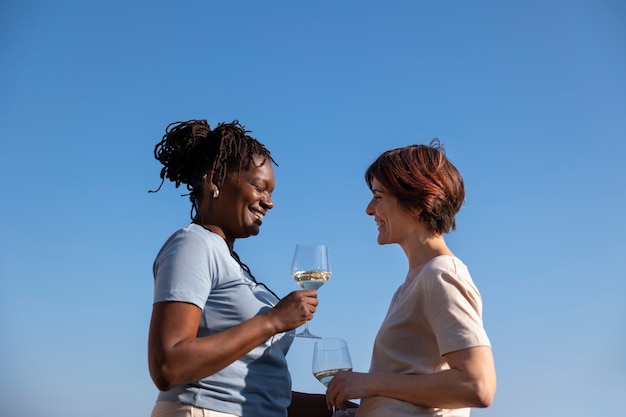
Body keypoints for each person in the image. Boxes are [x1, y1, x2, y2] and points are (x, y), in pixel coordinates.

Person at [147, 119, 331, 417]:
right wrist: (273, 321)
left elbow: (257, 391)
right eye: (259, 187)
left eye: (271, 192)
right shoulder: (193, 245)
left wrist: (335, 408)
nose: (269, 203)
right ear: (214, 180)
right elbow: (168, 365)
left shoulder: (233, 264)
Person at [326, 140, 496, 417]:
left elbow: (477, 385)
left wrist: (369, 383)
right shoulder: (411, 285)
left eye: (378, 197)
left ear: (417, 203)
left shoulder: (441, 275)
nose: (369, 209)